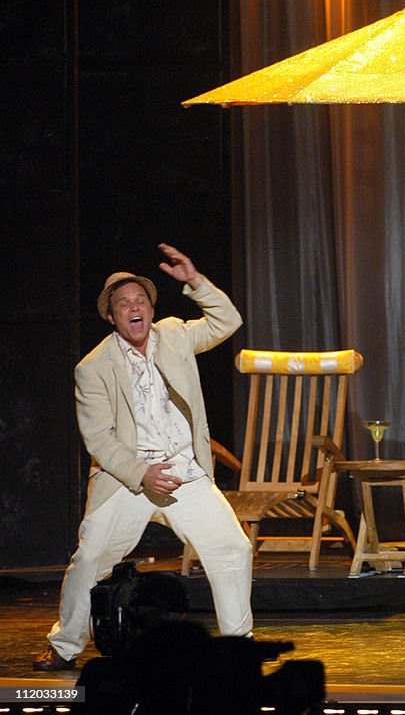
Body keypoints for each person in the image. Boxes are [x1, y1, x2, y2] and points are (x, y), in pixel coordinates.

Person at [34, 243, 254, 671]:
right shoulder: (93, 367)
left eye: (140, 301)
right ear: (112, 316)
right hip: (127, 479)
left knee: (233, 549)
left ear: (150, 310)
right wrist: (142, 474)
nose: (134, 308)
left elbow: (228, 321)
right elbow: (99, 439)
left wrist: (195, 282)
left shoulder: (174, 334)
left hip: (185, 472)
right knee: (90, 559)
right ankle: (65, 646)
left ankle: (238, 647)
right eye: (123, 304)